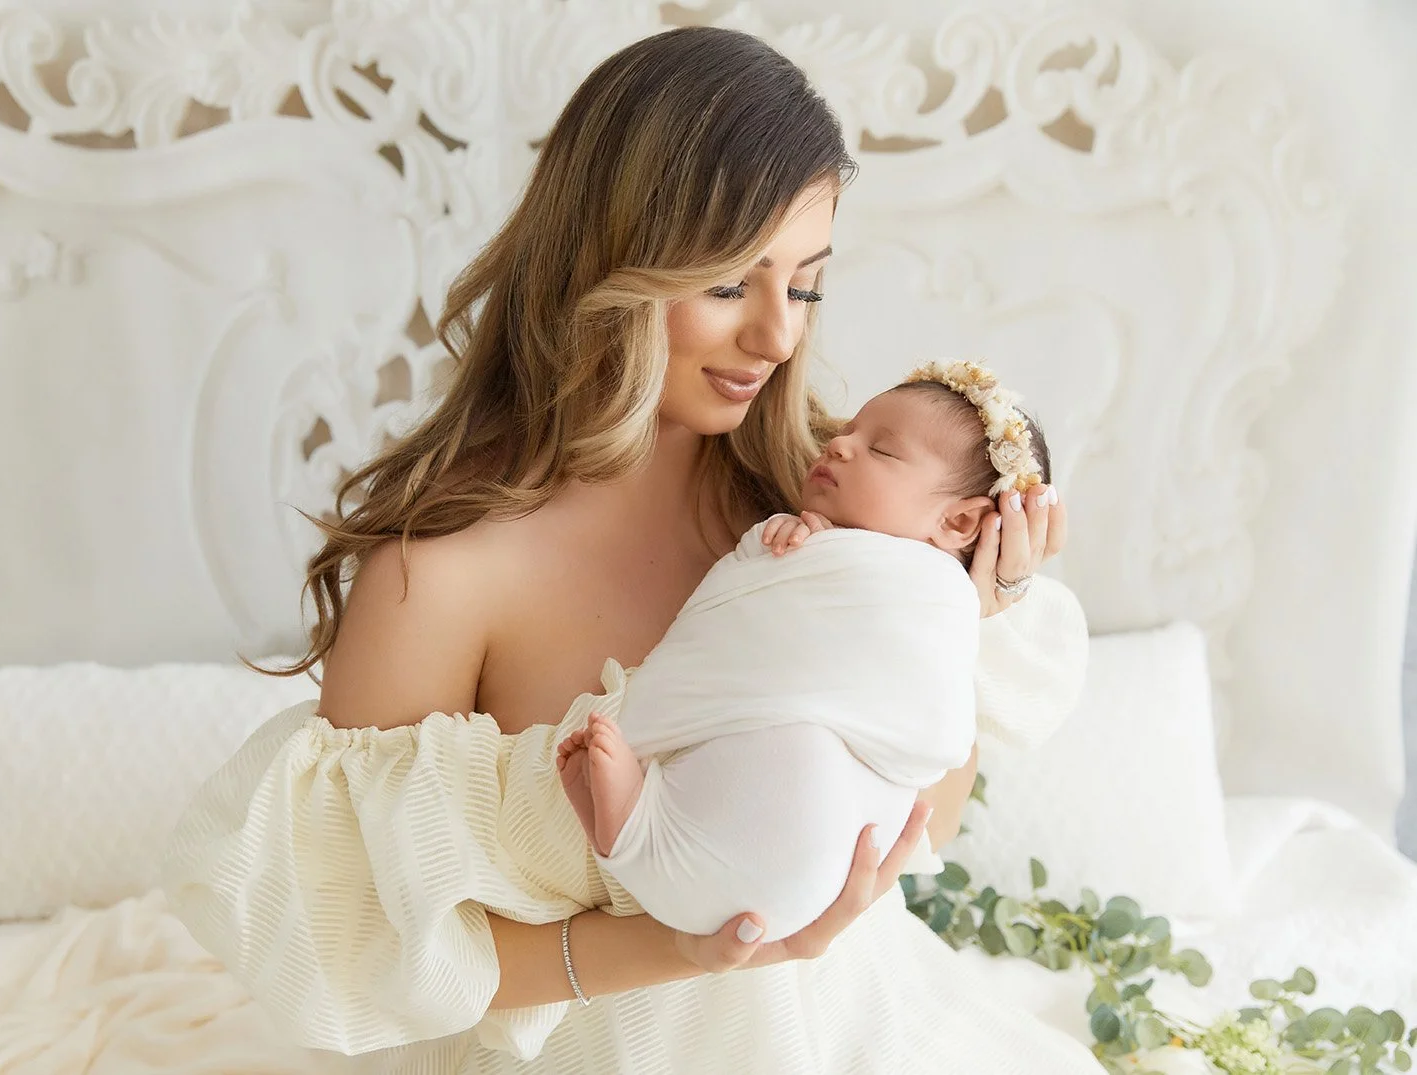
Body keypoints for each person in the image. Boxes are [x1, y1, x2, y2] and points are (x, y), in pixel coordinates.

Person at [163, 25, 1100, 1073]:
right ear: (604, 265)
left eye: (803, 285)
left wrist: (954, 613)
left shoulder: (822, 508)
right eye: (727, 285)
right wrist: (679, 945)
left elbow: (918, 819)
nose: (776, 338)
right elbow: (364, 942)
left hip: (852, 1026)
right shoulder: (441, 578)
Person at [560, 362, 1068, 944]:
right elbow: (747, 620)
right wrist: (785, 551)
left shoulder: (940, 596)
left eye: (882, 450)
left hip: (812, 864)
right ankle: (631, 825)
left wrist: (975, 612)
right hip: (710, 817)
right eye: (845, 433)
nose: (841, 445)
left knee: (808, 764)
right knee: (775, 752)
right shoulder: (803, 533)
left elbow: (930, 738)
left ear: (957, 521)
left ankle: (631, 831)